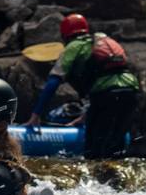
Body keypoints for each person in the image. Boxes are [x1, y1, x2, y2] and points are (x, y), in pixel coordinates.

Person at [26, 13, 139, 158]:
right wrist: (84, 117)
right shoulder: (100, 42)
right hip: (131, 92)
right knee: (115, 148)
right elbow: (107, 79)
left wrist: (35, 116)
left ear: (65, 35)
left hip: (106, 95)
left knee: (93, 151)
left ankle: (97, 177)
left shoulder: (74, 47)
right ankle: (116, 178)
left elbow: (53, 82)